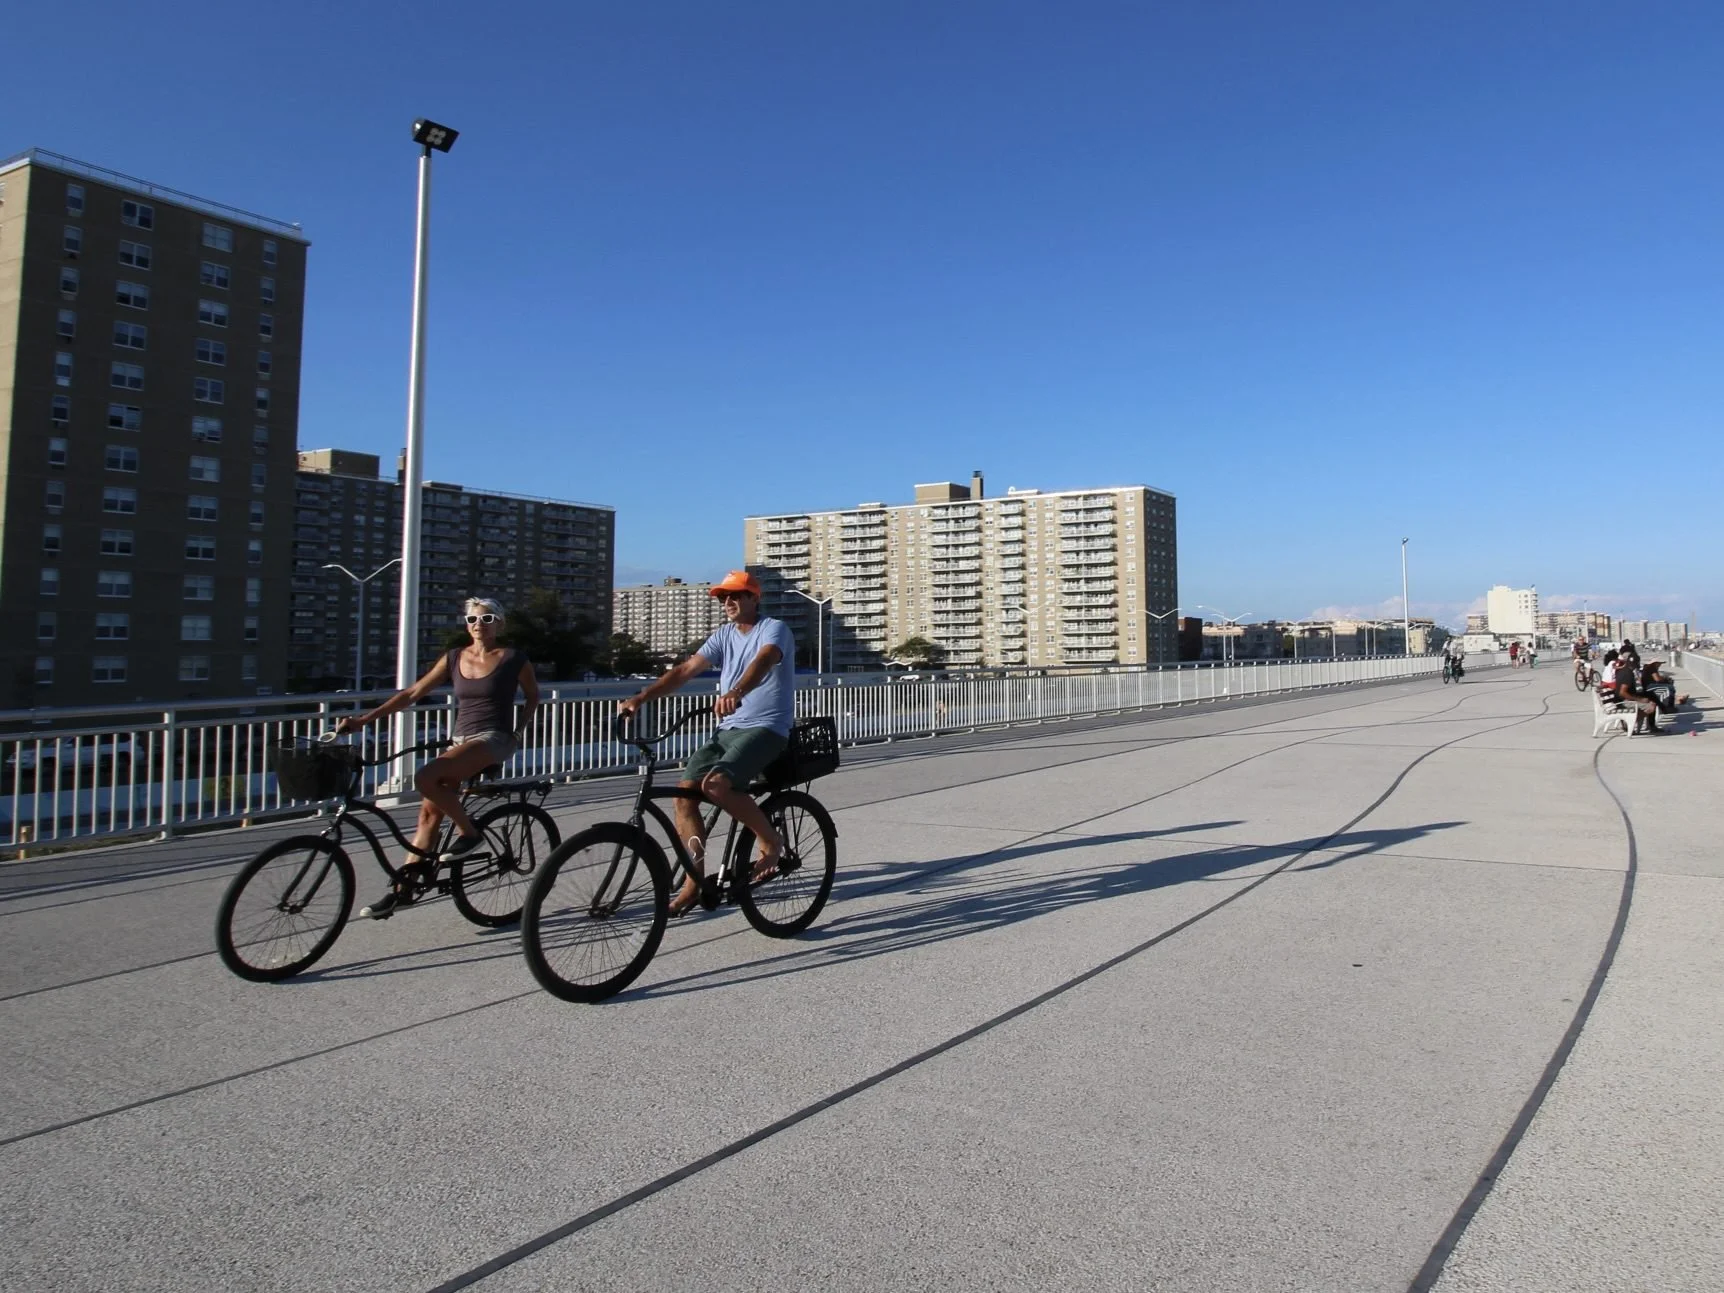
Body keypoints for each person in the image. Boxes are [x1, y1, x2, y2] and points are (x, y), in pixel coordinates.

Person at [335, 597, 539, 918]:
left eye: (486, 619)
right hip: (461, 741)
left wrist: (519, 731)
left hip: (494, 739)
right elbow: (411, 694)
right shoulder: (454, 657)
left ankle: (470, 833)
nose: (478, 625)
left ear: (500, 623)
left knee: (425, 777)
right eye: (472, 620)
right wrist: (363, 720)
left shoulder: (513, 658)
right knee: (428, 816)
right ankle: (403, 891)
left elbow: (533, 696)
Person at [618, 571, 794, 916]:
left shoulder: (774, 628)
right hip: (727, 728)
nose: (728, 603)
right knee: (684, 797)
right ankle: (694, 881)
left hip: (767, 728)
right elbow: (686, 670)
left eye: (736, 596)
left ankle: (771, 840)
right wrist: (641, 697)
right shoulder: (724, 635)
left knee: (716, 785)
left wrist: (736, 692)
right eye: (722, 598)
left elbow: (764, 660)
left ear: (754, 598)